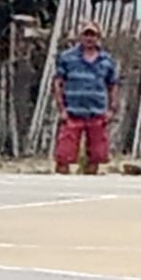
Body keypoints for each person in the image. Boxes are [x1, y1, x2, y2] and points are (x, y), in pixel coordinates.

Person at [52, 21, 120, 176]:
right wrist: (61, 108)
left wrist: (112, 109)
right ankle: (61, 181)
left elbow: (113, 85)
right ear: (80, 36)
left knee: (97, 155)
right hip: (73, 112)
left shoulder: (106, 60)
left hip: (97, 112)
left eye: (93, 35)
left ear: (98, 37)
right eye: (86, 34)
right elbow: (58, 83)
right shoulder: (67, 58)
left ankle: (90, 181)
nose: (89, 38)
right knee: (64, 154)